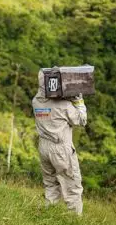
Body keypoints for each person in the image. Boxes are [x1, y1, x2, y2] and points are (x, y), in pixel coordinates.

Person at [32, 70, 88, 215]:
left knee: (50, 184)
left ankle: (49, 214)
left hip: (44, 146)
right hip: (60, 148)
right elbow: (82, 120)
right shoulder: (63, 105)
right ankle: (74, 220)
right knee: (72, 186)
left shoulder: (36, 101)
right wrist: (78, 101)